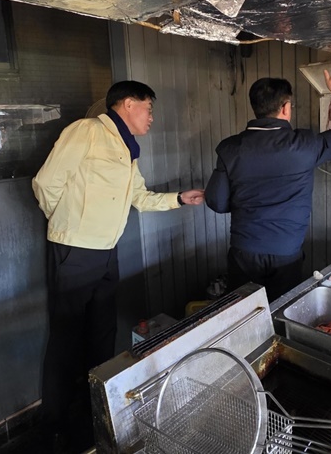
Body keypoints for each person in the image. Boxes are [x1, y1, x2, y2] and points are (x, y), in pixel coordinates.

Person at [32, 80, 204, 451]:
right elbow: (45, 184)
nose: (152, 117)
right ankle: (53, 426)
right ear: (128, 104)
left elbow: (139, 198)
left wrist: (179, 198)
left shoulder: (128, 148)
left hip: (107, 252)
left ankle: (93, 414)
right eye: (148, 108)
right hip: (75, 250)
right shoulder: (87, 131)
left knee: (102, 334)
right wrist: (65, 225)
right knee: (65, 340)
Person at [205, 63, 331, 301]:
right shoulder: (304, 145)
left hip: (244, 251)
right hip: (286, 252)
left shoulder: (230, 148)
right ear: (286, 107)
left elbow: (216, 201)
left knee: (244, 313)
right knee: (281, 310)